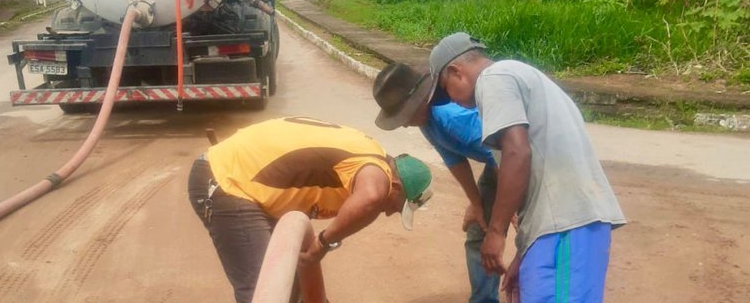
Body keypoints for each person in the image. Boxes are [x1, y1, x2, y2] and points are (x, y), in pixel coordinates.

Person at [429, 32, 626, 302]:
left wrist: (496, 232)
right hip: (557, 229)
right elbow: (539, 176)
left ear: (456, 71)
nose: (450, 99)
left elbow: (518, 152)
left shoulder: (494, 79)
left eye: (445, 88)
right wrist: (523, 252)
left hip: (566, 229)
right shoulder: (524, 79)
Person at [187, 116, 433, 303]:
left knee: (291, 283)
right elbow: (372, 197)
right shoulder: (376, 169)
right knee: (264, 289)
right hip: (228, 182)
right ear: (396, 186)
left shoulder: (367, 155)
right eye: (395, 206)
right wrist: (322, 245)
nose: (389, 212)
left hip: (245, 183)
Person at [373, 62, 505, 303]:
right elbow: (454, 159)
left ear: (419, 102)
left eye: (403, 115)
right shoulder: (425, 122)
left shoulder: (450, 115)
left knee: (529, 232)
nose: (403, 123)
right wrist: (476, 204)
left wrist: (509, 210)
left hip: (521, 161)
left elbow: (504, 155)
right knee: (480, 230)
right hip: (497, 164)